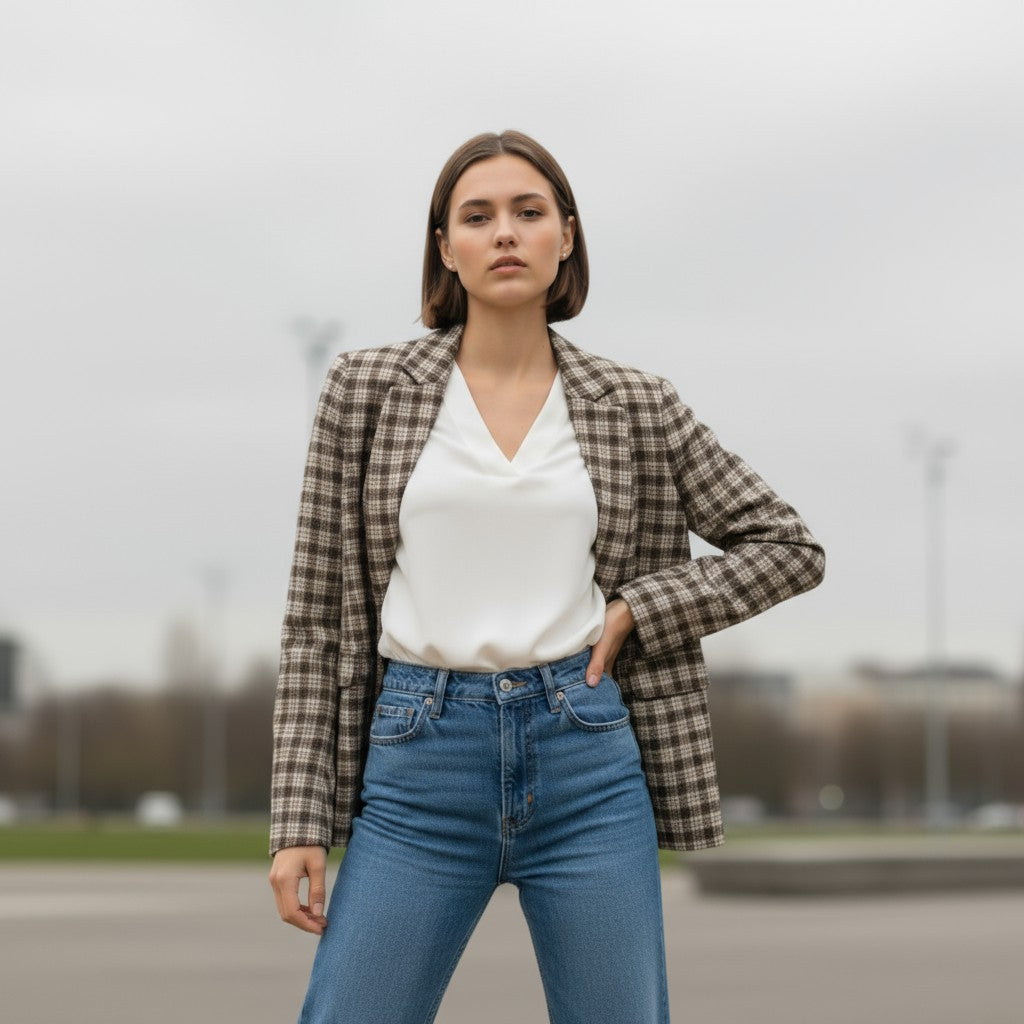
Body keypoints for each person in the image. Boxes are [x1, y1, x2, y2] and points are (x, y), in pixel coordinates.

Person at [268, 130, 825, 1024]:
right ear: (445, 247)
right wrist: (299, 818)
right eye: (477, 216)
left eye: (528, 213)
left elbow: (788, 547)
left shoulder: (636, 403)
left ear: (566, 236)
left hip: (586, 758)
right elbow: (317, 619)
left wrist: (641, 606)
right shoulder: (364, 389)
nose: (504, 232)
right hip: (418, 762)